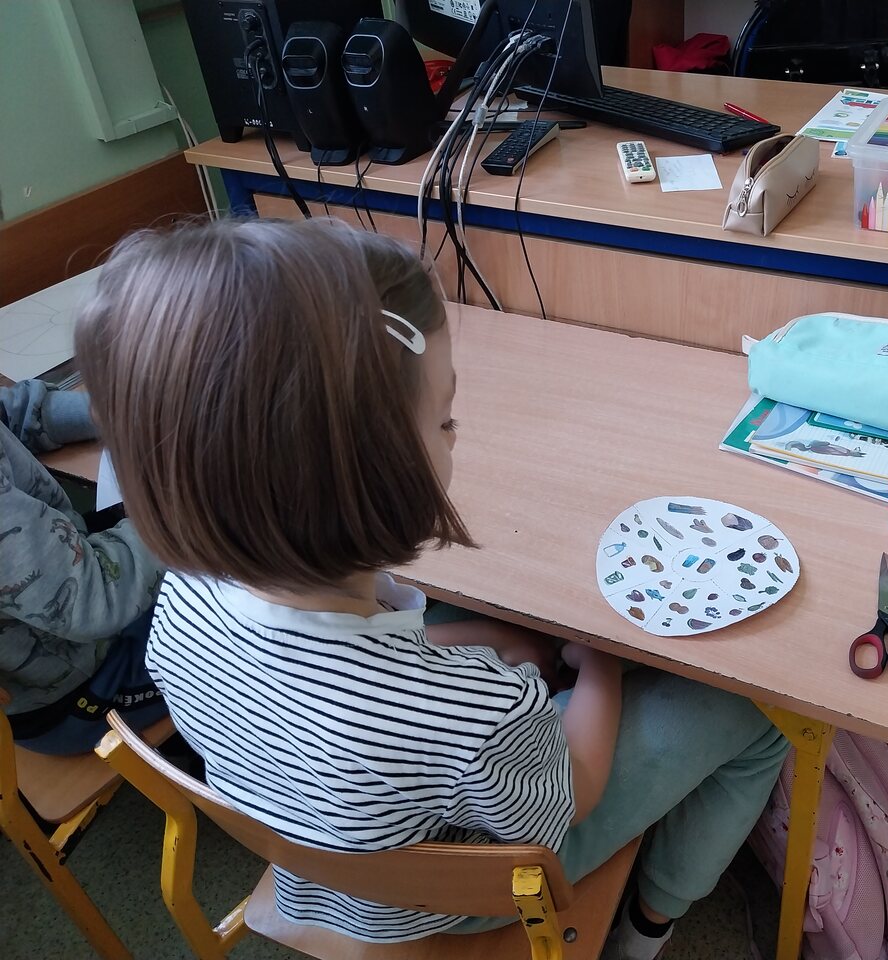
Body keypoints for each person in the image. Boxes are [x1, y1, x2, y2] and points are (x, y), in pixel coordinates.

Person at [75, 218, 789, 959]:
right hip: (450, 899)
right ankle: (646, 930)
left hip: (312, 865)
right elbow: (574, 788)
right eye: (444, 419)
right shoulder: (472, 715)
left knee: (502, 635)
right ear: (372, 474)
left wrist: (477, 645)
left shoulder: (182, 602)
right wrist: (599, 655)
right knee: (755, 708)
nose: (455, 435)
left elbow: (328, 680)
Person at [0, 379, 166, 754]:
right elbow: (92, 599)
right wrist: (193, 505)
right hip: (73, 692)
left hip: (77, 585)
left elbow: (9, 412)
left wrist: (113, 413)